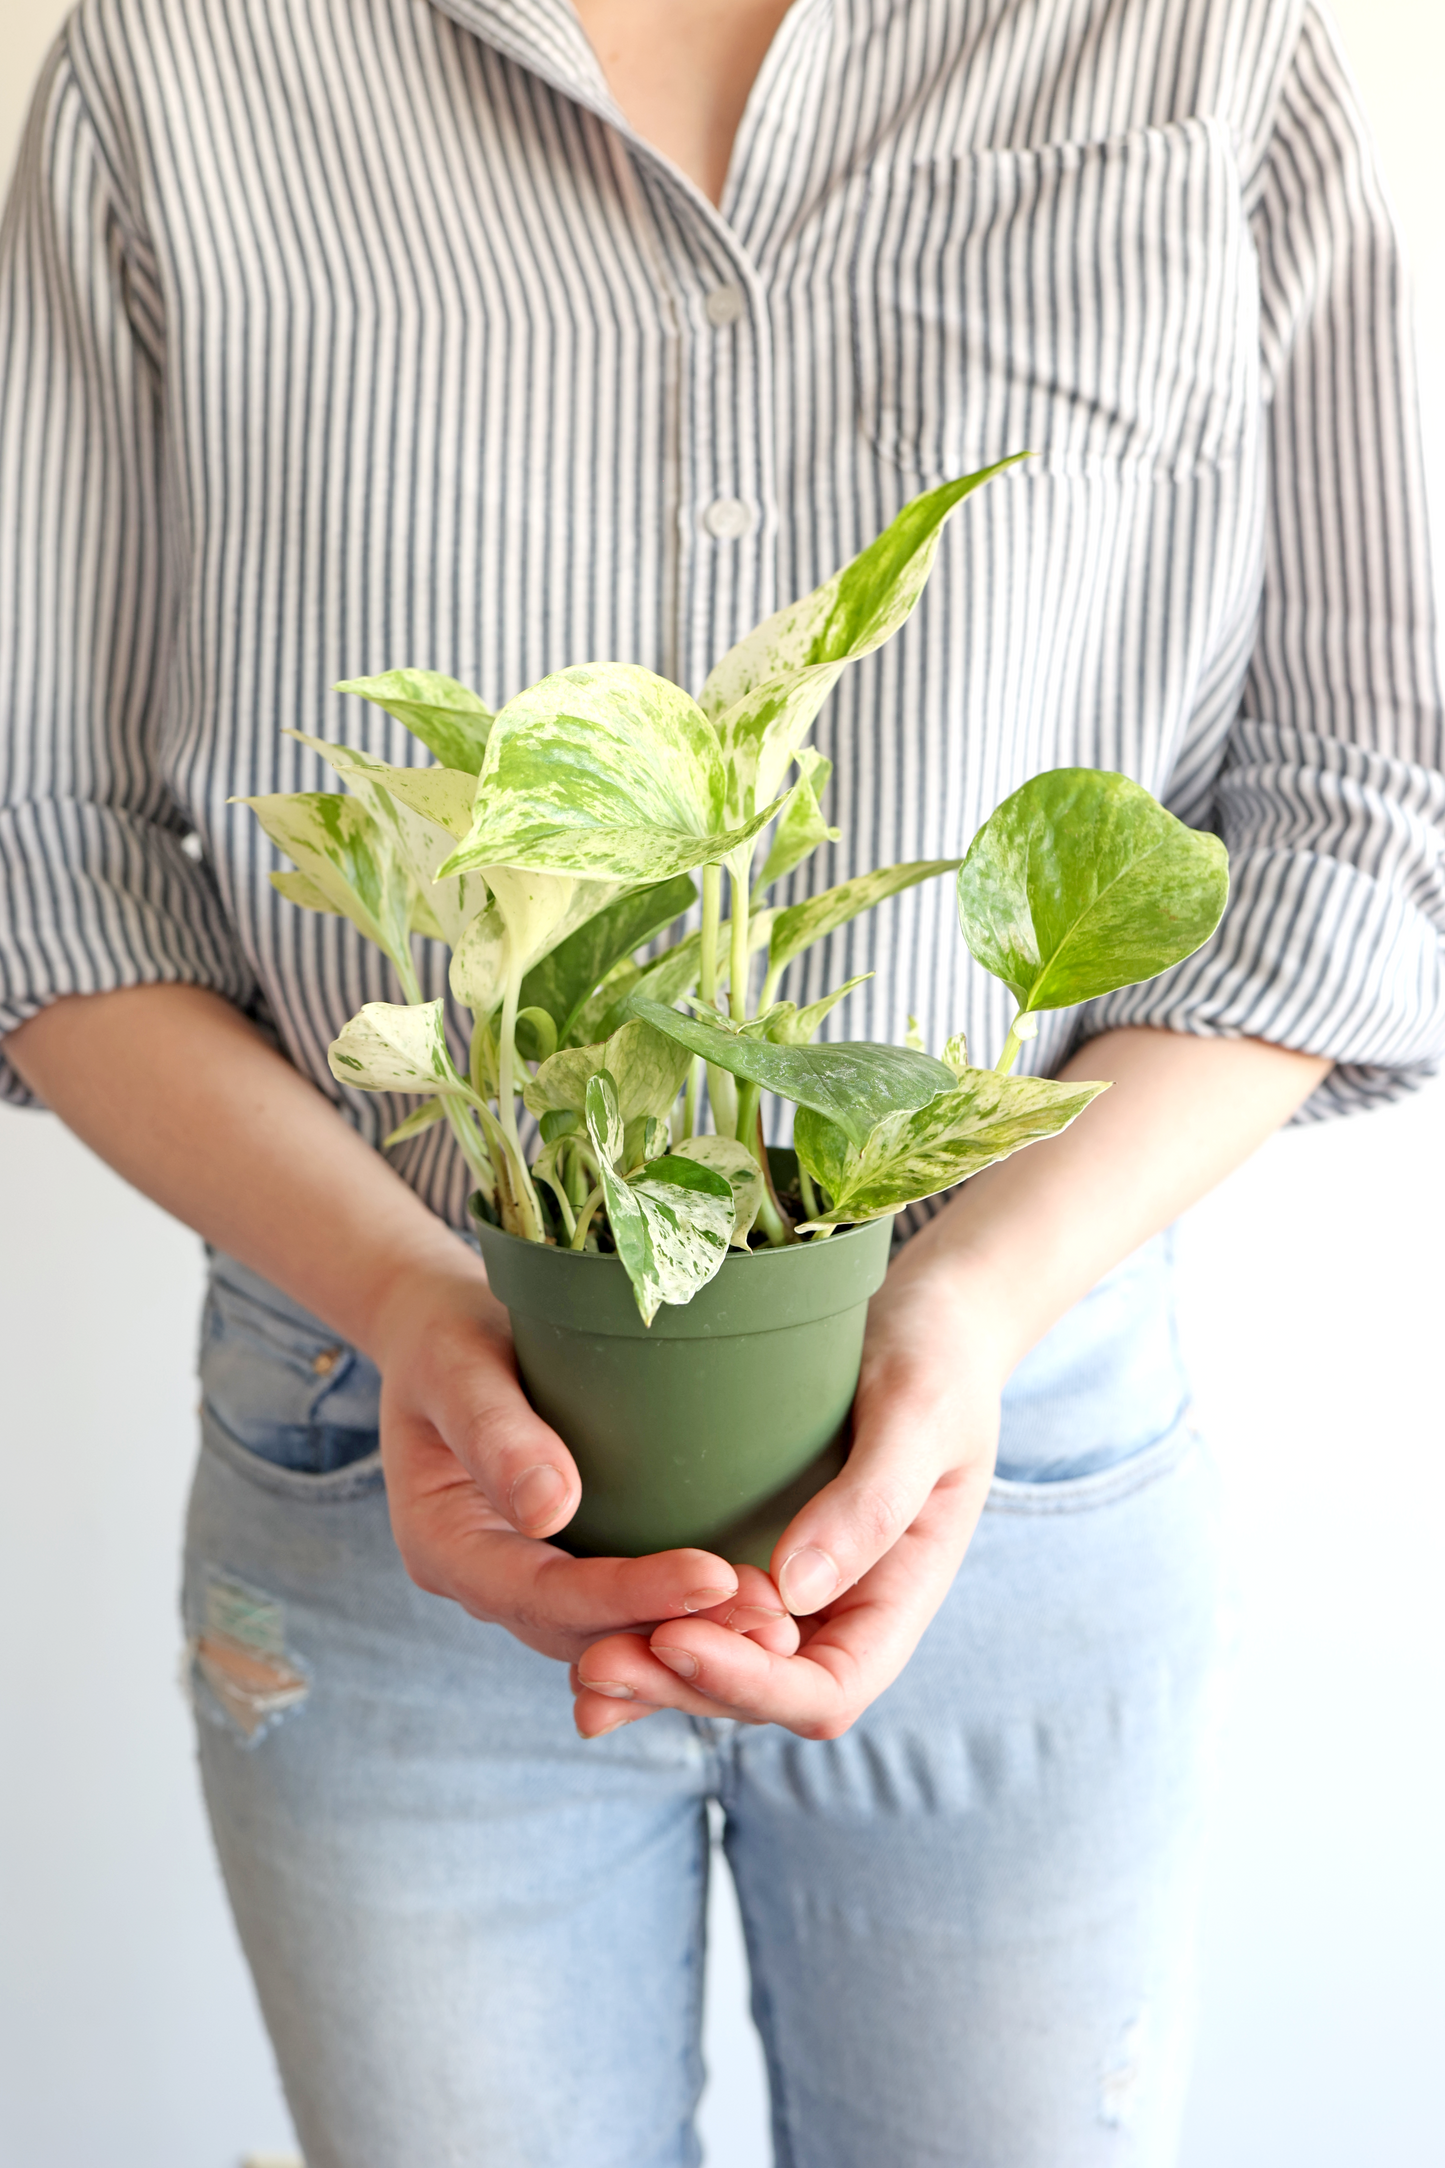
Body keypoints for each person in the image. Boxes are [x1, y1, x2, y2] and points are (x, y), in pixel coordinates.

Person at [1, 0, 1441, 2161]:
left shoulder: (1196, 37)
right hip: (384, 1470)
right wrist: (417, 1307)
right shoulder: (187, 64)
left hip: (1014, 1456)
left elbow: (1357, 802)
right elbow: (48, 856)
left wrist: (964, 1304)